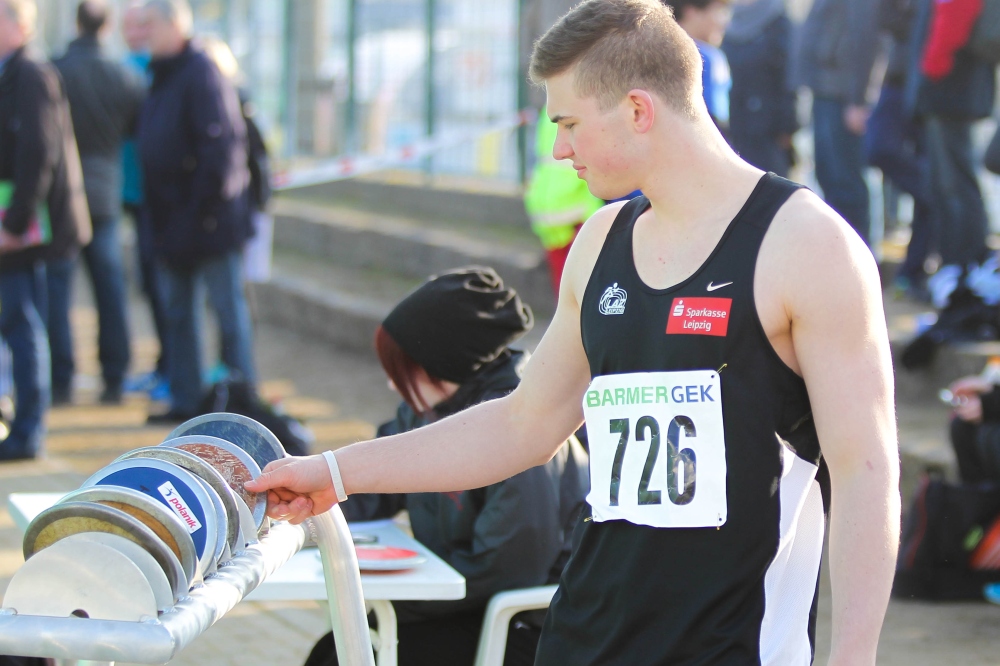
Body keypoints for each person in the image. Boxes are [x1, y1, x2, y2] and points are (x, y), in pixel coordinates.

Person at [247, 1, 899, 663]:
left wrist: (853, 657)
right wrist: (335, 472)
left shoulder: (809, 247)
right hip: (580, 639)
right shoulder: (601, 241)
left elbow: (866, 475)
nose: (559, 149)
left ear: (638, 110)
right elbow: (522, 423)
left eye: (569, 124)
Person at [304, 267, 588, 666]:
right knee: (338, 650)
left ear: (444, 364)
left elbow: (507, 569)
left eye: (402, 371)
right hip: (460, 602)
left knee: (346, 655)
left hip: (524, 623)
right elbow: (369, 491)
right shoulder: (423, 411)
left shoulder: (521, 434)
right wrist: (303, 519)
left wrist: (402, 597)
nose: (392, 385)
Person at [137, 0, 256, 424]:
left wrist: (197, 215)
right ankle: (187, 401)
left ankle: (242, 404)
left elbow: (220, 153)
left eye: (149, 25)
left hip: (208, 223)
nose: (142, 34)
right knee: (178, 314)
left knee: (227, 313)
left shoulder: (201, 72)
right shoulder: (162, 74)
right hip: (171, 223)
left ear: (174, 24)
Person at [0, 0, 91, 461]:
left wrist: (14, 223)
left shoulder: (32, 74)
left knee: (24, 324)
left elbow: (38, 153)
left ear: (18, 25)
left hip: (28, 229)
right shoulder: (14, 72)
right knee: (19, 322)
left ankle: (28, 432)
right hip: (18, 221)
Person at [50, 0, 145, 405]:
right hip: (106, 192)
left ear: (76, 24)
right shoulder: (125, 76)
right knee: (110, 288)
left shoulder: (55, 71)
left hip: (61, 196)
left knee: (58, 289)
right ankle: (114, 375)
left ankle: (61, 377)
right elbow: (136, 127)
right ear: (108, 27)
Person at [797, 0, 883, 245]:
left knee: (848, 182)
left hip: (844, 97)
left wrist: (859, 100)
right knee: (828, 176)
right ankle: (837, 249)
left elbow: (867, 39)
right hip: (824, 91)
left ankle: (861, 253)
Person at [866, 0, 936, 298]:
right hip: (896, 82)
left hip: (930, 84)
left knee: (930, 182)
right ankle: (934, 192)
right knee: (878, 149)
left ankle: (913, 274)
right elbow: (886, 19)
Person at [120, 0, 171, 402]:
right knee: (152, 286)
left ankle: (173, 368)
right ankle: (163, 364)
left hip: (160, 200)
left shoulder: (159, 72)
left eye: (144, 25)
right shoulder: (127, 69)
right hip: (138, 197)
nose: (138, 34)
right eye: (132, 27)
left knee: (165, 287)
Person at [524, 109, 604, 294]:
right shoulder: (557, 106)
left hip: (567, 211)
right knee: (573, 291)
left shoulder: (555, 106)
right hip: (563, 212)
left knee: (577, 290)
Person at [721, 0, 797, 176]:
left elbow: (788, 78)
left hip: (768, 131)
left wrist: (787, 127)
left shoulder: (777, 21)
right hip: (734, 127)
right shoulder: (726, 19)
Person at [662, 0, 732, 131]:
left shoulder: (645, 51)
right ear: (691, 12)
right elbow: (716, 124)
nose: (725, 21)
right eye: (718, 11)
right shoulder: (707, 58)